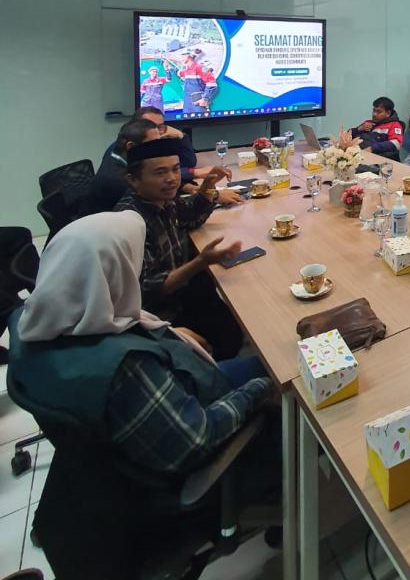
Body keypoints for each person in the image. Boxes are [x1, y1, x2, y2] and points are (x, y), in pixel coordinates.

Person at [8, 211, 278, 511]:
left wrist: (169, 333)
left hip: (162, 403)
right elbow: (197, 438)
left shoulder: (31, 322)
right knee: (279, 370)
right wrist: (262, 388)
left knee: (259, 360)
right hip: (193, 441)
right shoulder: (128, 366)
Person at [114, 139, 245, 360]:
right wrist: (201, 262)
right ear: (133, 180)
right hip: (159, 314)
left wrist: (207, 187)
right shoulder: (130, 222)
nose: (172, 178)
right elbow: (150, 290)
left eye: (175, 170)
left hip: (181, 291)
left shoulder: (161, 200)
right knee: (228, 337)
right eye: (160, 172)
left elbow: (190, 214)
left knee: (234, 320)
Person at [83, 118, 161, 214]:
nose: (158, 149)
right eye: (152, 145)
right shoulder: (118, 181)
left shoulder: (118, 149)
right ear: (131, 146)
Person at [170, 49, 217, 116]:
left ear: (188, 56)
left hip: (198, 104)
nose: (181, 58)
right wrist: (167, 68)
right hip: (187, 104)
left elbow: (212, 83)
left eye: (182, 56)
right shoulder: (187, 70)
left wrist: (205, 98)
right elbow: (179, 73)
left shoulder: (202, 67)